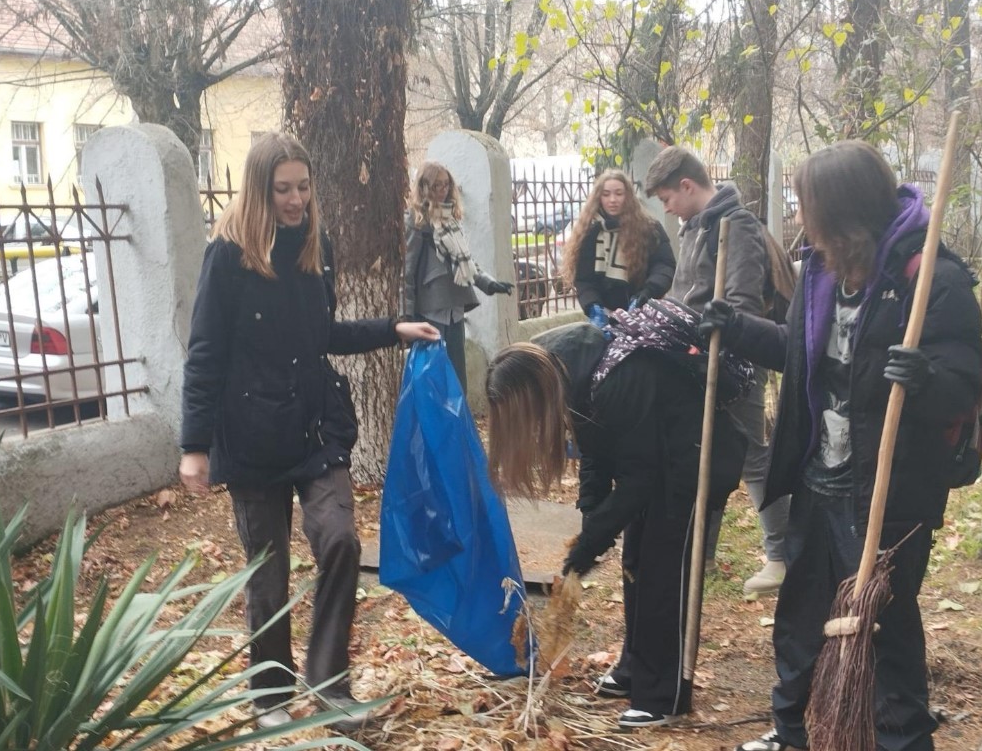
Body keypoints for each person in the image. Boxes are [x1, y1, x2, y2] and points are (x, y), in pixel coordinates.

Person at [700, 140, 982, 751]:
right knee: (801, 616)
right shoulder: (821, 271)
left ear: (838, 209)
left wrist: (926, 378)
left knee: (882, 624)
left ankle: (901, 741)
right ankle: (791, 731)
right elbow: (800, 355)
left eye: (805, 203)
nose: (799, 216)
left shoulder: (930, 276)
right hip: (818, 481)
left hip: (889, 489)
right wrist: (738, 328)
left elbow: (963, 383)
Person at [179, 133, 440, 730]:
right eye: (282, 189)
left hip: (314, 428)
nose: (295, 200)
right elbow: (205, 353)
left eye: (302, 186)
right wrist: (194, 446)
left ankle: (329, 684)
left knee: (340, 540)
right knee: (267, 575)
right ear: (259, 190)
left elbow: (322, 334)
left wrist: (394, 329)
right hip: (249, 436)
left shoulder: (317, 246)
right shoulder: (227, 255)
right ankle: (270, 695)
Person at [485, 316, 748, 729]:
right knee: (635, 567)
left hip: (690, 464)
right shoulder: (570, 375)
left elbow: (638, 478)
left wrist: (592, 542)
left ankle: (664, 696)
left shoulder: (615, 380)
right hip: (652, 462)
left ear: (533, 392)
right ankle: (634, 668)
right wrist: (591, 517)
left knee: (663, 576)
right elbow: (596, 453)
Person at [645, 146, 792, 597]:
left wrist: (713, 337)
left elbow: (742, 306)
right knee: (703, 453)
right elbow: (684, 295)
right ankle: (699, 554)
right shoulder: (696, 227)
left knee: (751, 458)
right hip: (694, 358)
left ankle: (783, 557)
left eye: (667, 198)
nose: (667, 208)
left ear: (687, 186)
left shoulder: (736, 227)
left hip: (735, 362)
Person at [404, 161, 514, 393]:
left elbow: (466, 262)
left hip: (455, 308)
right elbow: (407, 273)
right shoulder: (417, 221)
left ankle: (459, 417)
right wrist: (407, 318)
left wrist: (489, 284)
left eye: (446, 185)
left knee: (457, 377)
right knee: (434, 379)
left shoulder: (450, 218)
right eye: (436, 185)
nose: (442, 190)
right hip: (430, 311)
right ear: (424, 187)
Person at [562, 168, 676, 330]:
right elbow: (584, 279)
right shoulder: (588, 232)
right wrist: (593, 306)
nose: (612, 200)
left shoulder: (649, 228)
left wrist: (647, 294)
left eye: (619, 193)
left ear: (628, 196)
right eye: (606, 194)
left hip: (645, 313)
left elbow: (664, 265)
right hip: (606, 318)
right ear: (598, 197)